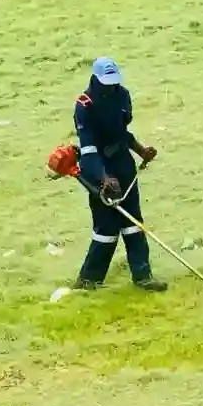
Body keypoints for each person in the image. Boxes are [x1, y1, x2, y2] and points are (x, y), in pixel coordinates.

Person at [72, 57, 167, 291]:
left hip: (124, 165)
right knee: (106, 227)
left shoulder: (122, 95)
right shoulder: (85, 106)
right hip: (99, 168)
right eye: (107, 82)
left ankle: (143, 275)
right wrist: (103, 177)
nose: (111, 86)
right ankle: (89, 279)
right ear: (95, 78)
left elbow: (122, 132)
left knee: (134, 222)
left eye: (114, 81)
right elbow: (88, 149)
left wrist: (141, 151)